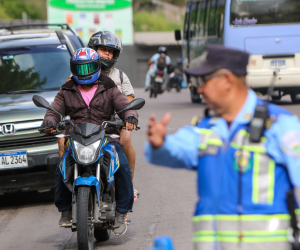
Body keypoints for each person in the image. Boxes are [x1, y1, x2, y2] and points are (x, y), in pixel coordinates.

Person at [144, 45, 300, 250]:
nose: (199, 88)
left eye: (205, 81)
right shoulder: (206, 128)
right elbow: (171, 150)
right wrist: (160, 143)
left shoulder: (280, 124)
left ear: (227, 81)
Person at [42, 48, 137, 236]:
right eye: (80, 69)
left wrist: (130, 117)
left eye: (89, 68)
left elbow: (125, 106)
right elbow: (54, 110)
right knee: (62, 166)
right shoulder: (67, 89)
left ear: (97, 67)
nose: (84, 73)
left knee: (123, 166)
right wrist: (49, 122)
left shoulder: (109, 86)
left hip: (106, 137)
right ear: (73, 69)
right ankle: (65, 210)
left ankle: (122, 212)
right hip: (76, 137)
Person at [62, 31, 139, 201]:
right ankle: (67, 181)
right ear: (92, 50)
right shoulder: (77, 75)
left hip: (115, 120)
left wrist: (126, 115)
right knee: (62, 140)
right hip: (84, 123)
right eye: (103, 49)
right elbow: (65, 99)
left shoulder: (119, 76)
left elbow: (129, 101)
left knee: (125, 139)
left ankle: (129, 183)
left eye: (111, 51)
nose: (107, 54)